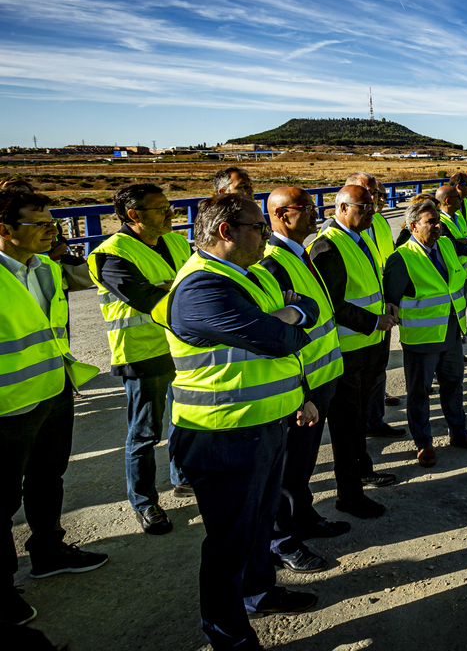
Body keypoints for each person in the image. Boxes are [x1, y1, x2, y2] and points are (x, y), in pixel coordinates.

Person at [155, 194, 321, 650]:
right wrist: (285, 318)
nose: (266, 236)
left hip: (265, 423)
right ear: (226, 231)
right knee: (229, 542)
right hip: (222, 434)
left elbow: (306, 308)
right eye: (258, 228)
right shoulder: (201, 288)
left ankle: (259, 591)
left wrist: (298, 388)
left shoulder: (249, 276)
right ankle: (227, 635)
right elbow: (279, 338)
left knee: (260, 522)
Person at [0, 189, 105, 627]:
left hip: (53, 390)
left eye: (53, 223)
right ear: (4, 231)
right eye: (39, 224)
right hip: (7, 407)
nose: (51, 231)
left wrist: (62, 250)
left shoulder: (45, 267)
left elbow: (86, 280)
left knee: (47, 477)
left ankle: (48, 551)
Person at [87, 183, 192, 535]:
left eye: (170, 206)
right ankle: (145, 502)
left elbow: (197, 280)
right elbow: (146, 297)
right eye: (161, 209)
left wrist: (172, 288)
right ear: (133, 215)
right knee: (145, 433)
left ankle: (182, 476)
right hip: (142, 354)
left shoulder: (175, 241)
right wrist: (178, 289)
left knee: (186, 418)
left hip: (181, 348)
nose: (170, 213)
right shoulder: (111, 253)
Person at [258, 188, 349, 574]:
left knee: (304, 464)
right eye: (306, 209)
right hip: (302, 386)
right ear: (280, 215)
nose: (317, 214)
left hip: (322, 376)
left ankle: (304, 517)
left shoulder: (301, 254)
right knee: (286, 469)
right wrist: (300, 393)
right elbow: (279, 337)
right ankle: (283, 541)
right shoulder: (274, 264)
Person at [308, 185, 400, 519]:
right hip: (348, 351)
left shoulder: (358, 238)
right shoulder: (328, 245)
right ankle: (349, 494)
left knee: (358, 419)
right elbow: (333, 303)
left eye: (374, 206)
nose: (373, 212)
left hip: (367, 346)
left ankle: (362, 469)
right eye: (366, 206)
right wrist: (373, 320)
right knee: (346, 426)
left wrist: (385, 304)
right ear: (344, 207)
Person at [383, 199, 467, 467]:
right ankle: (424, 444)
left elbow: (458, 275)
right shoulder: (401, 258)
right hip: (422, 340)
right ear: (413, 226)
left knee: (454, 386)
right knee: (419, 394)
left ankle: (459, 432)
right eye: (431, 222)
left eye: (438, 220)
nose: (438, 226)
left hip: (451, 334)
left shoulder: (445, 245)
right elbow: (391, 302)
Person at [345, 172, 406, 436]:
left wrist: (391, 299)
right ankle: (365, 425)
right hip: (356, 323)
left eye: (376, 193)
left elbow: (388, 262)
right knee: (356, 384)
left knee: (378, 369)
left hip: (382, 310)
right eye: (367, 193)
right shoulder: (334, 232)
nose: (373, 198)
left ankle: (376, 418)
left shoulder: (378, 222)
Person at [435, 185, 467, 362]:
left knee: (460, 313)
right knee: (450, 318)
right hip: (451, 277)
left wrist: (466, 241)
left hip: (464, 273)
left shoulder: (458, 217)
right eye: (458, 198)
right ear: (448, 200)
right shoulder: (440, 221)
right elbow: (450, 245)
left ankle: (458, 351)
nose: (462, 200)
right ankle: (452, 355)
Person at [447, 173, 467, 337]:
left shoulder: (464, 203)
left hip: (466, 262)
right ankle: (458, 333)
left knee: (464, 301)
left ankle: (463, 329)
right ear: (459, 186)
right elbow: (453, 242)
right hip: (455, 265)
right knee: (456, 302)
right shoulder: (447, 208)